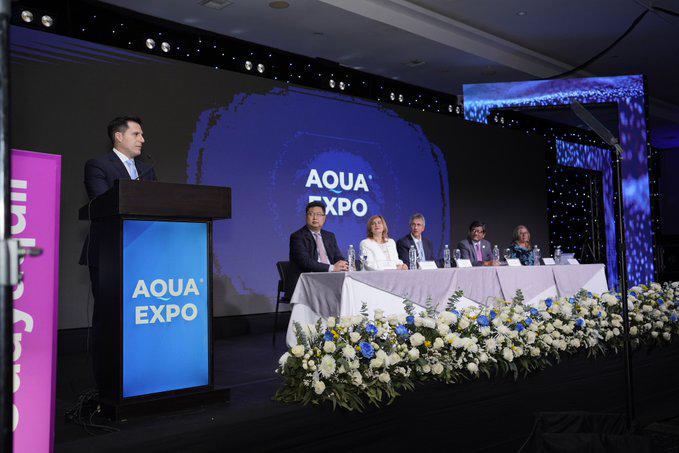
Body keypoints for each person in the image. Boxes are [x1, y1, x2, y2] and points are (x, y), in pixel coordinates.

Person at [80, 116, 157, 390]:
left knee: (142, 316)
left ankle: (142, 374)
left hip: (142, 254)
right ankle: (107, 384)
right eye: (137, 134)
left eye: (142, 134)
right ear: (119, 137)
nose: (142, 139)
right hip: (108, 254)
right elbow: (102, 203)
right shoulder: (98, 166)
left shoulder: (147, 170)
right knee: (109, 319)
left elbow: (156, 207)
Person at [289, 201, 348, 291]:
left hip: (332, 277)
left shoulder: (329, 236)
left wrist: (344, 264)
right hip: (309, 280)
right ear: (306, 217)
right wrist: (332, 268)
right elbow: (305, 262)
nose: (315, 217)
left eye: (319, 214)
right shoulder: (297, 236)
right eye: (311, 214)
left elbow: (338, 256)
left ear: (324, 218)